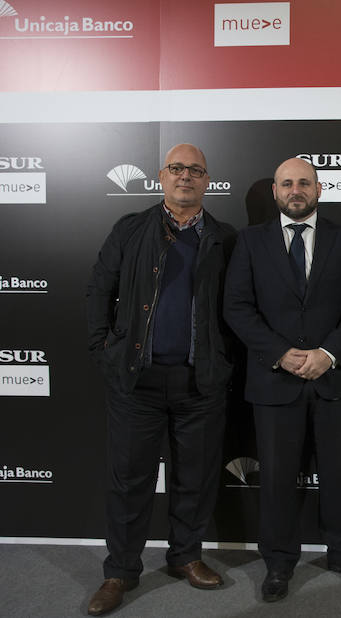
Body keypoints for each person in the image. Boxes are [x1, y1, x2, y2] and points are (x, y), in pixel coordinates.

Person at [85, 144, 235, 615]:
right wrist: (103, 350)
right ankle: (120, 571)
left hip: (200, 382)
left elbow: (240, 308)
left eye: (195, 170)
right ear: (161, 177)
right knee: (130, 481)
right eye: (177, 168)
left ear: (207, 180)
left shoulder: (226, 237)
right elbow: (99, 289)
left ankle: (186, 557)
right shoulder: (131, 229)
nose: (185, 176)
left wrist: (224, 361)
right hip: (137, 381)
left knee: (195, 477)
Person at [223, 157, 341, 602]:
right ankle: (278, 562)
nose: (296, 190)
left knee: (338, 473)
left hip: (335, 379)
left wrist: (328, 354)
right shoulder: (250, 242)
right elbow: (236, 307)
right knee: (275, 478)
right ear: (275, 191)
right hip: (275, 381)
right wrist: (279, 354)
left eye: (304, 183)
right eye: (287, 183)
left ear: (318, 189)